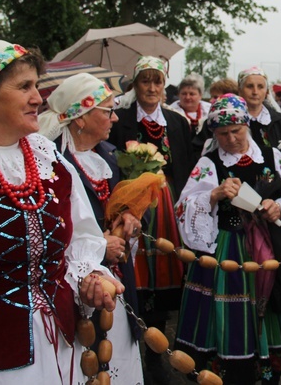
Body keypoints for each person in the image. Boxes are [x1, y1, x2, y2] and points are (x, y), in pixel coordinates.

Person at [0, 37, 121, 384]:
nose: (37, 98)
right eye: (25, 87)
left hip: (55, 353)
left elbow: (81, 244)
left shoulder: (52, 164)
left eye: (37, 86)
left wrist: (90, 277)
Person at [175, 94, 281, 384]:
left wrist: (279, 207)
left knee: (268, 305)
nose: (231, 138)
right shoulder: (209, 163)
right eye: (222, 134)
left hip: (269, 244)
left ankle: (267, 367)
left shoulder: (272, 155)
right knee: (229, 311)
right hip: (228, 245)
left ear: (246, 126)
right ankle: (229, 372)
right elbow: (183, 206)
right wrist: (213, 195)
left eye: (236, 131)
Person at [39, 73, 144, 384]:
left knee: (117, 354)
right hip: (76, 285)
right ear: (80, 117)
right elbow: (51, 222)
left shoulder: (110, 156)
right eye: (107, 111)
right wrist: (100, 244)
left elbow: (121, 206)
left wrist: (131, 221)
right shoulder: (51, 161)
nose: (114, 118)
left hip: (117, 280)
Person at [108, 55, 194, 382]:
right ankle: (129, 344)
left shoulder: (178, 122)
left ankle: (156, 352)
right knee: (135, 273)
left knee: (164, 272)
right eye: (145, 80)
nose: (152, 87)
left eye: (157, 81)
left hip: (167, 206)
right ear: (135, 84)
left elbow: (186, 168)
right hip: (132, 208)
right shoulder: (122, 120)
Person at [238, 66, 281, 149]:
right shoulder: (231, 120)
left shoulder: (280, 122)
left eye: (260, 87)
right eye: (250, 86)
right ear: (240, 90)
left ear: (266, 92)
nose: (255, 92)